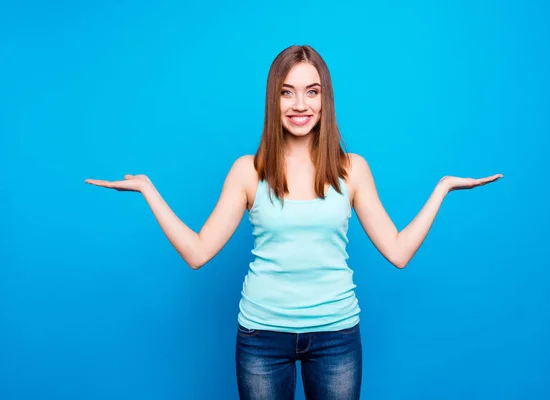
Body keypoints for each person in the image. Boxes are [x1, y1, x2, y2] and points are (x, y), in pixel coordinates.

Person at [85, 44, 502, 400]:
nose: (300, 105)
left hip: (336, 335)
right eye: (287, 92)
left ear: (325, 99)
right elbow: (197, 253)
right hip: (261, 338)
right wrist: (149, 192)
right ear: (274, 100)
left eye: (311, 92)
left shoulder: (351, 170)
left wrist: (442, 189)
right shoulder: (248, 171)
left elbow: (398, 251)